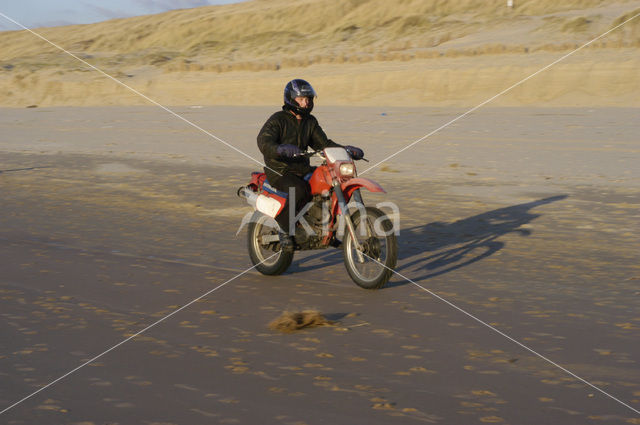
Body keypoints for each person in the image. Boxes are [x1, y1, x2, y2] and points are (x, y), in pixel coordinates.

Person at [257, 79, 364, 251]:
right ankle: (284, 231)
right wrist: (280, 149)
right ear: (291, 99)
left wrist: (346, 149)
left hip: (302, 168)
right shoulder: (278, 119)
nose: (306, 102)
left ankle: (326, 231)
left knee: (329, 182)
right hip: (279, 170)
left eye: (308, 98)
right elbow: (263, 141)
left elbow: (324, 144)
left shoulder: (310, 122)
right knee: (299, 190)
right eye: (301, 99)